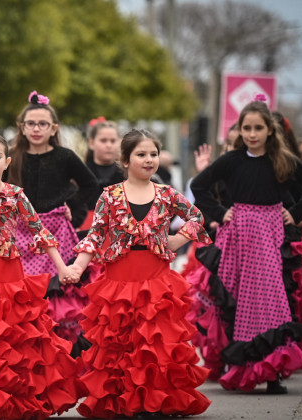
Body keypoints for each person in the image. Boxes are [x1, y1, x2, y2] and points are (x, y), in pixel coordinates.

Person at [64, 129, 211, 418]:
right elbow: (95, 236)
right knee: (121, 343)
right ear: (125, 160)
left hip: (157, 280)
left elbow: (196, 217)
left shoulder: (166, 193)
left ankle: (155, 401)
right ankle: (125, 400)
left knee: (154, 344)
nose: (149, 160)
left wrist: (176, 240)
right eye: (141, 154)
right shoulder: (110, 196)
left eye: (153, 154)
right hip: (118, 281)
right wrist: (78, 266)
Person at [0, 133, 85, 419]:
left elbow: (40, 233)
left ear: (7, 161)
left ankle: (11, 399)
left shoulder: (15, 195)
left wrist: (62, 268)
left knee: (12, 342)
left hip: (11, 278)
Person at [190, 98, 302, 393]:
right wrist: (221, 213)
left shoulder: (282, 160)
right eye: (246, 128)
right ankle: (241, 367)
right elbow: (199, 185)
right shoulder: (231, 160)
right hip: (238, 235)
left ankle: (272, 372)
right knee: (236, 299)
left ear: (269, 131)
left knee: (272, 300)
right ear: (239, 130)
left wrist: (295, 213)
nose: (251, 133)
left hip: (271, 235)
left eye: (258, 128)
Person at [8, 91, 99, 343]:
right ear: (22, 127)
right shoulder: (11, 156)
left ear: (53, 128)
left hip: (57, 234)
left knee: (57, 291)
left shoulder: (65, 156)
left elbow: (90, 186)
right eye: (31, 124)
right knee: (23, 293)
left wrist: (74, 207)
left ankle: (59, 348)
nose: (37, 129)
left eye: (43, 124)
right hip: (20, 234)